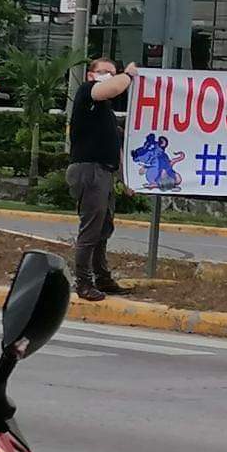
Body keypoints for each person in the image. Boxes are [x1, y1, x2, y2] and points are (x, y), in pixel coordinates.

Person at [66, 57, 138, 301]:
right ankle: (83, 282)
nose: (109, 76)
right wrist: (128, 74)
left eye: (112, 72)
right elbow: (115, 87)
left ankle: (102, 278)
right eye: (104, 72)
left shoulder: (105, 111)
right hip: (89, 170)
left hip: (104, 172)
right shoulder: (88, 93)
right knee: (90, 230)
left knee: (103, 229)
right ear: (91, 75)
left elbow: (116, 146)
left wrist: (125, 178)